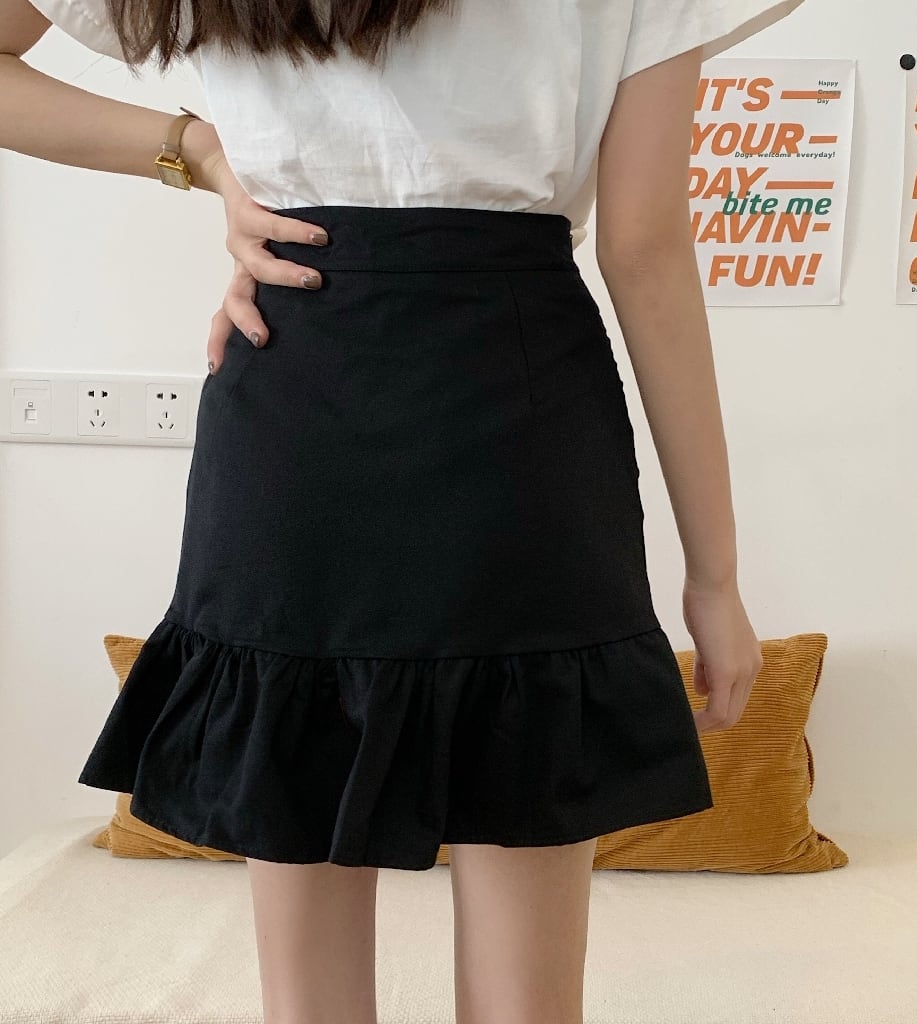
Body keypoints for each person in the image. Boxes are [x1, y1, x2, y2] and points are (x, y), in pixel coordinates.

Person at [2, 0, 805, 1021]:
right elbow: (643, 248)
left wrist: (196, 150)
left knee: (309, 995)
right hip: (519, 424)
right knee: (525, 997)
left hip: (298, 400)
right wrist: (714, 576)